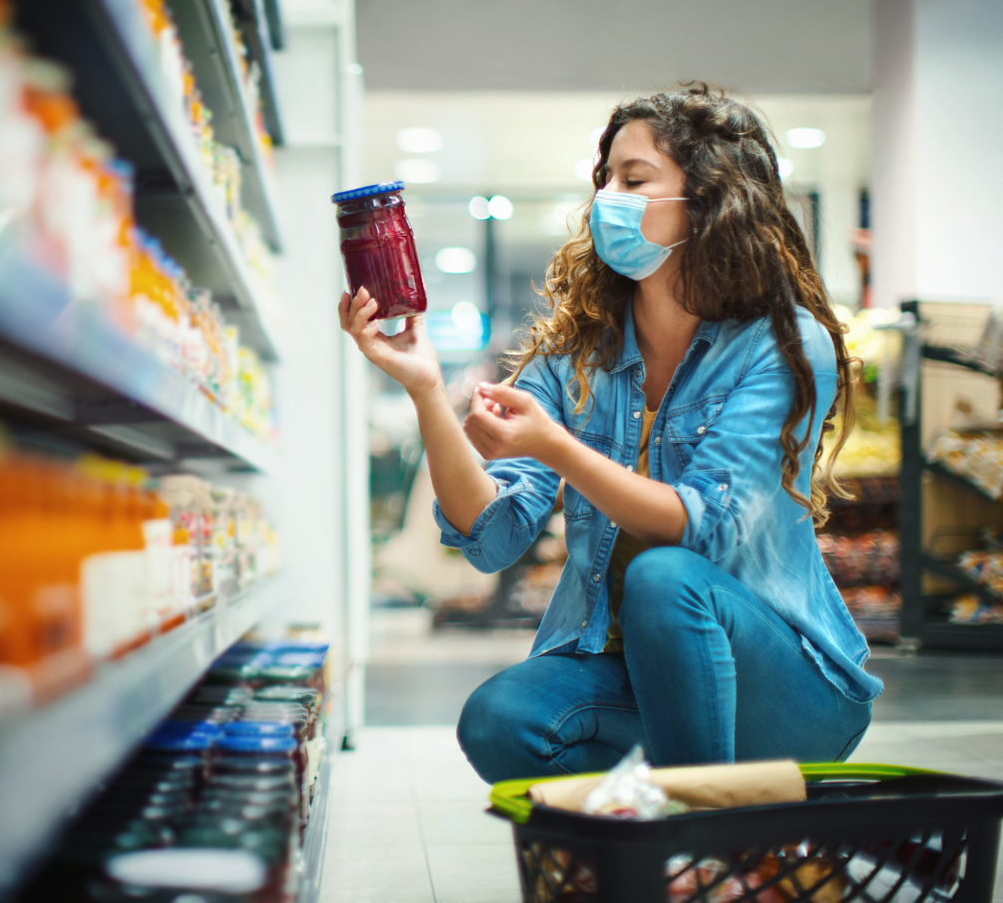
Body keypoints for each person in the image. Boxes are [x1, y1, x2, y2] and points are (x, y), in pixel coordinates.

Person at [338, 82, 879, 783]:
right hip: (632, 678)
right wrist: (426, 390)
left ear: (710, 200)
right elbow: (491, 534)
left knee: (666, 579)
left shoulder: (779, 343)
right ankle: (698, 812)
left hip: (783, 688)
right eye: (604, 181)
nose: (606, 200)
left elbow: (700, 529)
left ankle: (696, 843)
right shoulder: (579, 350)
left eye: (633, 180)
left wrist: (559, 447)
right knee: (501, 719)